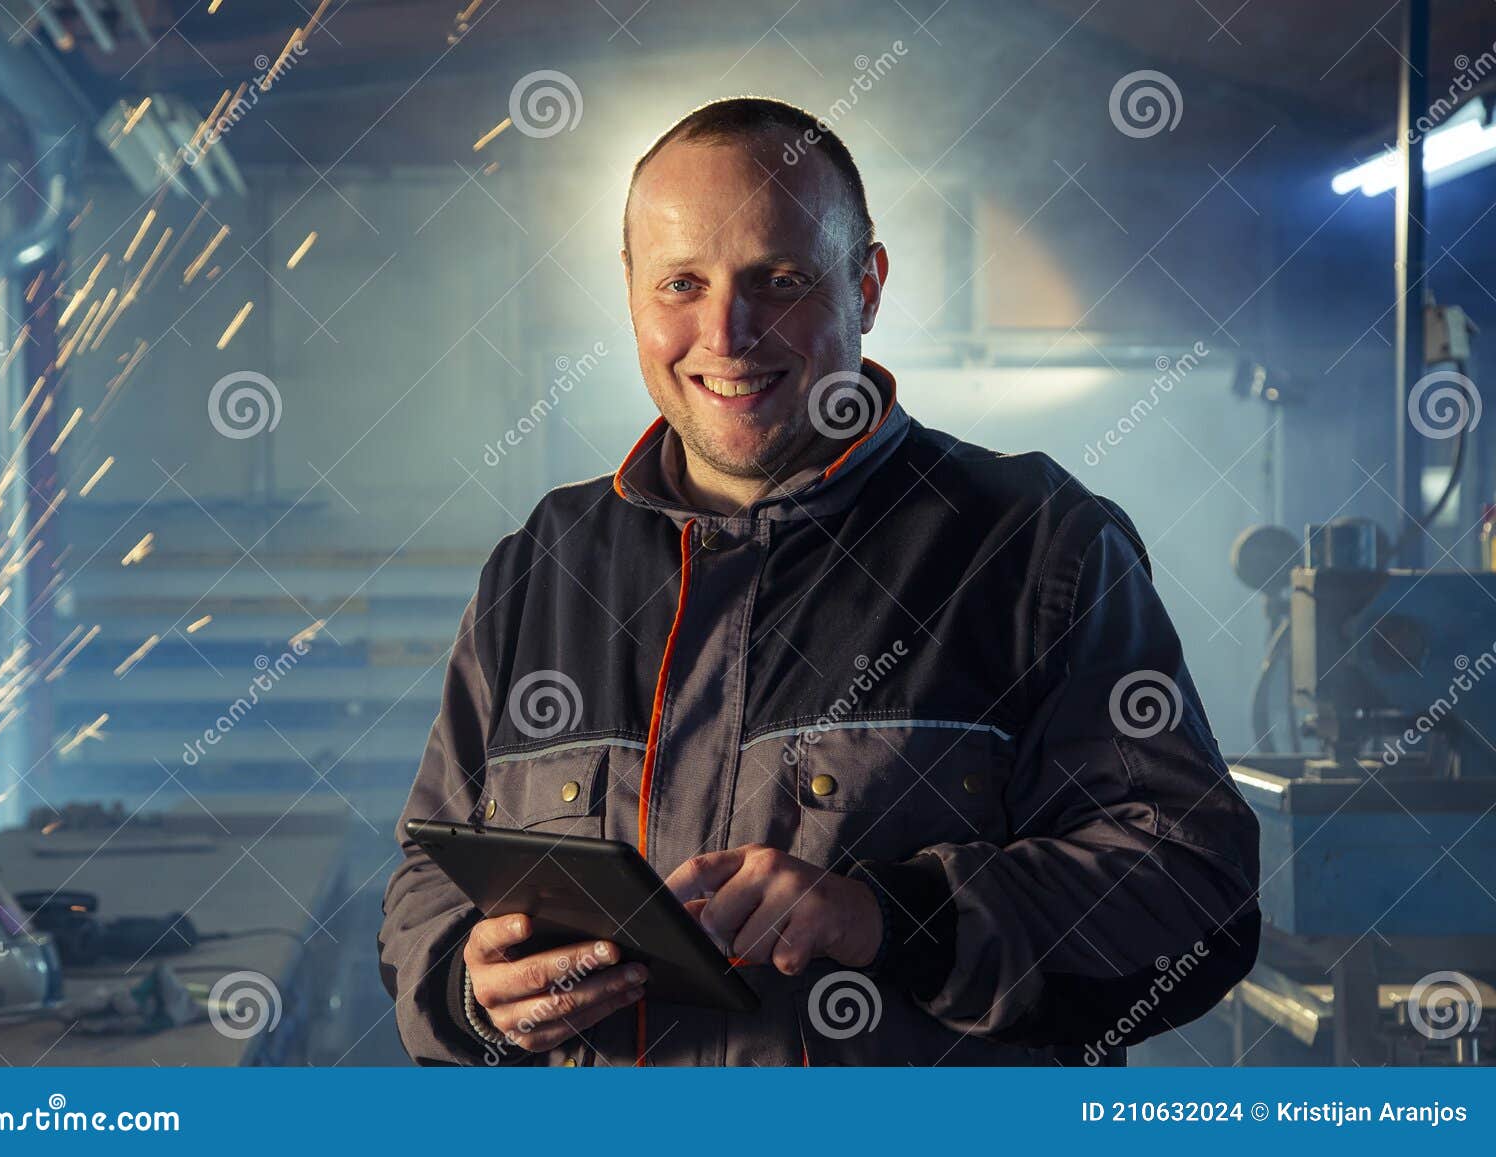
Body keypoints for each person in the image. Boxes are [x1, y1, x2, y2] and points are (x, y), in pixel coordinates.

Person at [379, 96, 1261, 1067]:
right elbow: (431, 872)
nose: (727, 331)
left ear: (867, 285)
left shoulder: (1030, 544)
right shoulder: (542, 564)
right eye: (681, 283)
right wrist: (472, 989)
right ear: (629, 292)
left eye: (780, 278)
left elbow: (1194, 890)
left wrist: (893, 916)